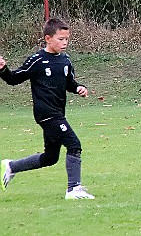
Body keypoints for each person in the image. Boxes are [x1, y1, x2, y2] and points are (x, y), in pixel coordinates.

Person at [0, 18, 95, 200]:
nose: (65, 42)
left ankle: (11, 166)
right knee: (74, 145)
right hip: (46, 113)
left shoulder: (65, 60)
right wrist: (3, 69)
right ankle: (74, 189)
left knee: (51, 157)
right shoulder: (37, 60)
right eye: (61, 39)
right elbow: (14, 78)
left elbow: (69, 83)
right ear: (48, 38)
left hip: (58, 112)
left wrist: (78, 88)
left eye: (67, 39)